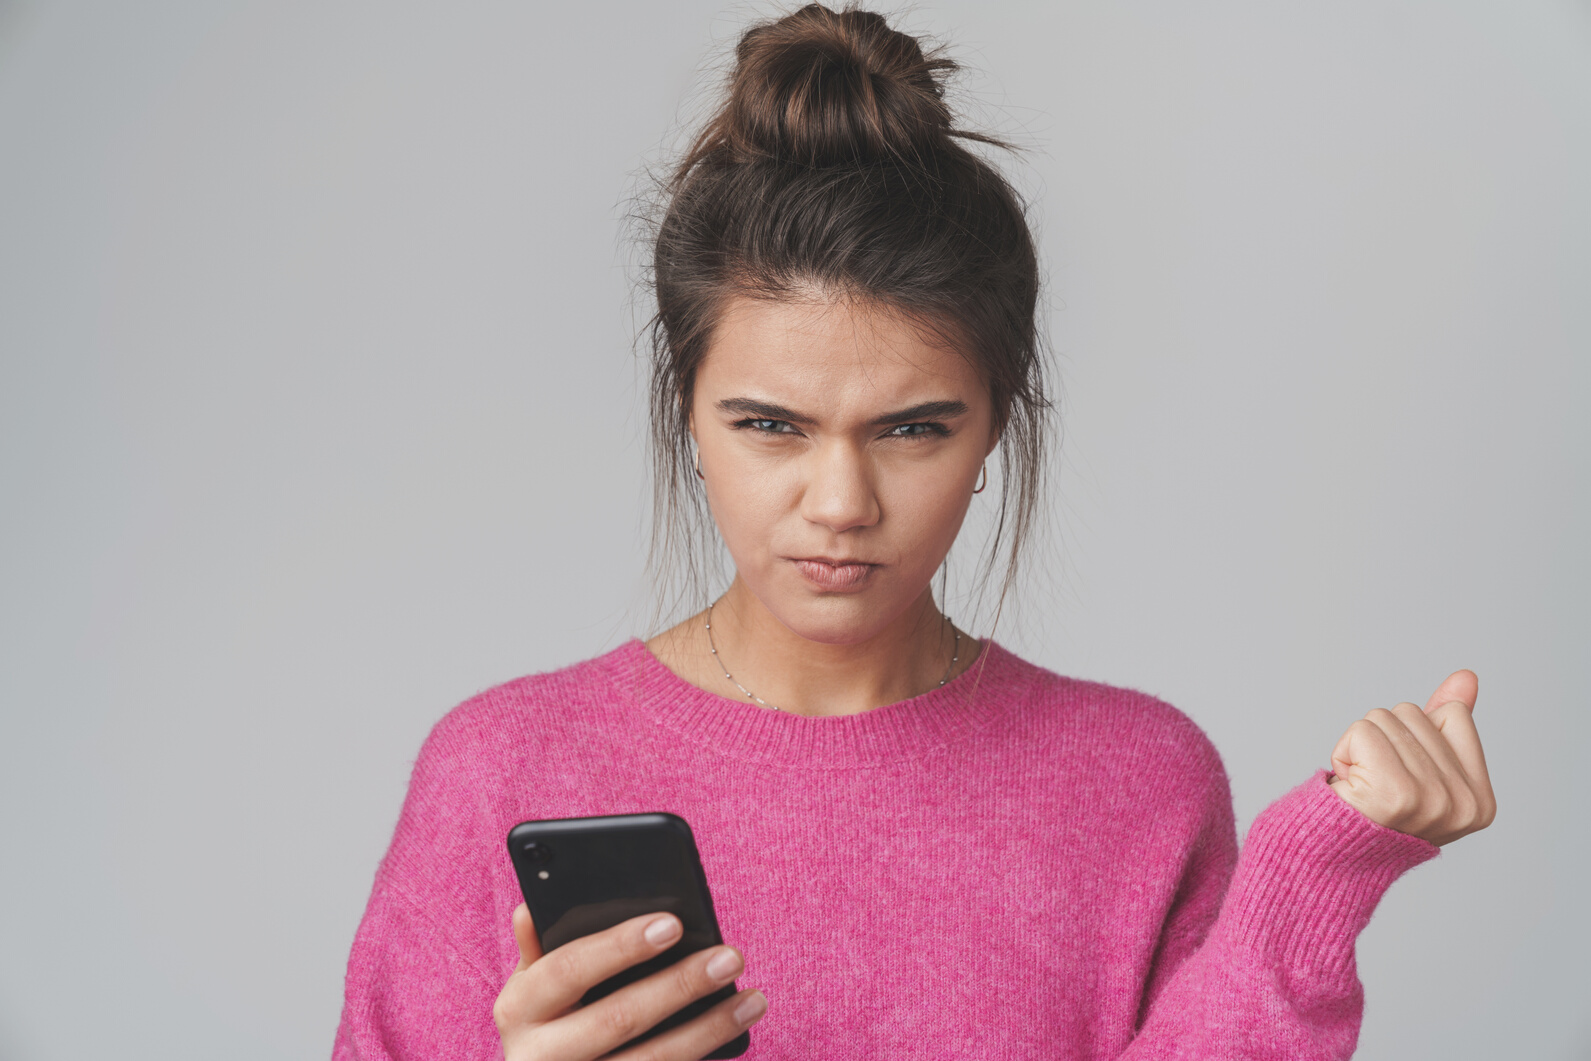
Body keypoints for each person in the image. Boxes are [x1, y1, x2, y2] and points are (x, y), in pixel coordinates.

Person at [331, 5, 1496, 1059]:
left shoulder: (1139, 777)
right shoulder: (502, 765)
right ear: (687, 413)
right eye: (770, 424)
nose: (840, 502)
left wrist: (1321, 866)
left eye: (912, 429)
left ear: (995, 424)